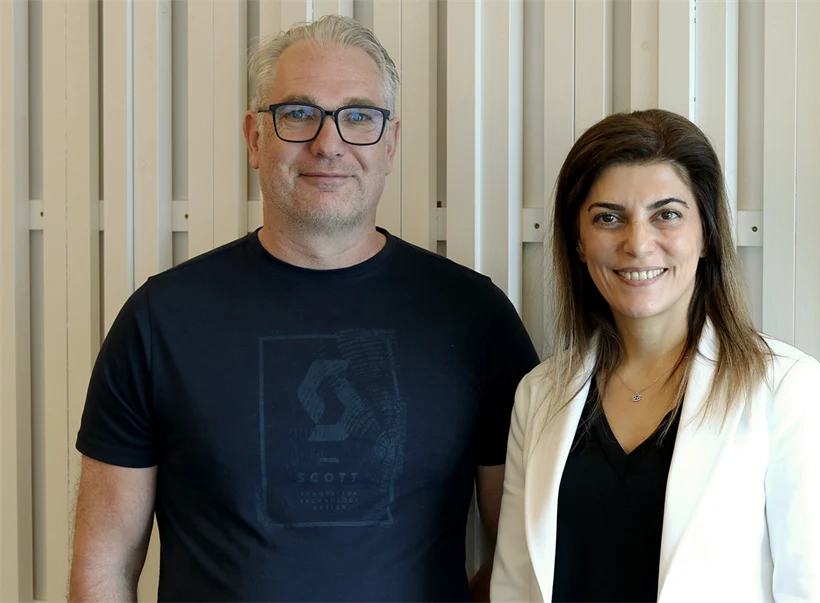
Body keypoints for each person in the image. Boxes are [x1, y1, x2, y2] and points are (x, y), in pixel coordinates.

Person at [69, 15, 538, 603]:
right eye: (297, 113)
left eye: (359, 116)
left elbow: (520, 560)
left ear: (390, 143)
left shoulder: (476, 319)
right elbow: (103, 569)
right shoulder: (160, 320)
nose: (329, 142)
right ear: (253, 138)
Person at [489, 109, 820, 602]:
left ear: (706, 234)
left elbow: (813, 591)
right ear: (578, 240)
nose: (637, 244)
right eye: (608, 218)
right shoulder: (540, 394)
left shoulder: (787, 390)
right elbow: (513, 586)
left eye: (667, 214)